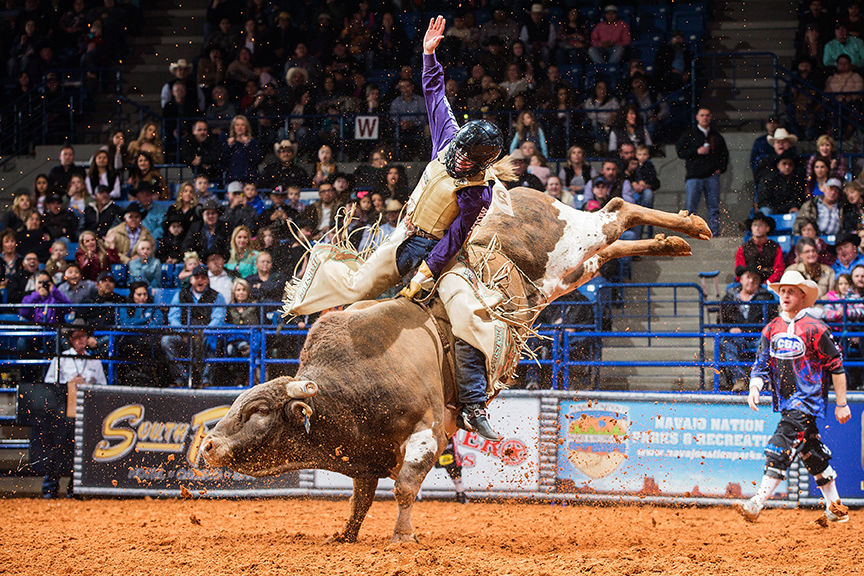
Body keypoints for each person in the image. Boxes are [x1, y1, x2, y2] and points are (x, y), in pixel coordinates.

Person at [284, 16, 507, 441]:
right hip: (402, 237)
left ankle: (474, 404)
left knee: (465, 315)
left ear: (481, 164)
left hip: (441, 255)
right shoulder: (449, 140)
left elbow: (456, 238)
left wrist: (429, 273)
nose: (458, 160)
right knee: (356, 282)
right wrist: (428, 55)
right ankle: (300, 299)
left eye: (467, 160)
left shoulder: (480, 192)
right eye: (458, 153)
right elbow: (434, 93)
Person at [735, 270, 851, 525]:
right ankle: (836, 508)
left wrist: (841, 403)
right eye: (783, 291)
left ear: (802, 295)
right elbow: (761, 364)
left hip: (806, 402)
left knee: (780, 445)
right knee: (812, 452)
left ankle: (757, 502)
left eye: (791, 291)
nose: (785, 295)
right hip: (788, 402)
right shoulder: (771, 329)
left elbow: (836, 367)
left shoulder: (816, 328)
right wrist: (754, 387)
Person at [38, 320, 106, 498]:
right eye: (76, 337)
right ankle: (50, 488)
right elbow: (49, 384)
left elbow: (103, 386)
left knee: (80, 450)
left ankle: (75, 489)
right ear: (70, 339)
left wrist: (87, 386)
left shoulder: (93, 360)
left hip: (85, 412)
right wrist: (69, 384)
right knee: (57, 448)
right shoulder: (61, 358)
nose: (80, 340)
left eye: (83, 336)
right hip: (62, 412)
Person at [161, 265, 227, 387]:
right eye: (197, 277)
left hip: (206, 334)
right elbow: (173, 317)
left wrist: (203, 333)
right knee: (167, 341)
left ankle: (206, 379)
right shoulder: (180, 295)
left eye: (203, 277)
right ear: (191, 280)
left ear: (207, 280)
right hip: (185, 334)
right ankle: (182, 378)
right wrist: (183, 332)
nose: (200, 280)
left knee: (214, 340)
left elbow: (218, 318)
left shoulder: (217, 296)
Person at [718, 265, 777, 392]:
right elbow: (721, 320)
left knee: (768, 347)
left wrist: (763, 331)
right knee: (726, 342)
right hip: (737, 337)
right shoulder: (729, 298)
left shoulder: (766, 297)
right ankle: (740, 379)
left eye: (755, 279)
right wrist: (730, 328)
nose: (751, 281)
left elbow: (773, 320)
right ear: (741, 280)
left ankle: (764, 381)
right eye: (748, 277)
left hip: (758, 336)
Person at [676, 107, 728, 236]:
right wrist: (696, 151)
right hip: (694, 176)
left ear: (710, 117)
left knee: (714, 207)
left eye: (707, 115)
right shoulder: (689, 135)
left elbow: (724, 154)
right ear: (697, 117)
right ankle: (689, 232)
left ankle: (713, 233)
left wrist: (721, 168)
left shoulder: (716, 136)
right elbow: (680, 151)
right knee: (691, 208)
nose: (705, 117)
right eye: (702, 115)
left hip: (711, 176)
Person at [734, 213, 785, 284]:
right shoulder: (743, 248)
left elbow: (779, 270)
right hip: (748, 283)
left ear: (767, 228)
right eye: (754, 225)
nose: (757, 228)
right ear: (751, 228)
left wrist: (768, 282)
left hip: (769, 284)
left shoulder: (775, 247)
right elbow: (739, 271)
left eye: (760, 225)